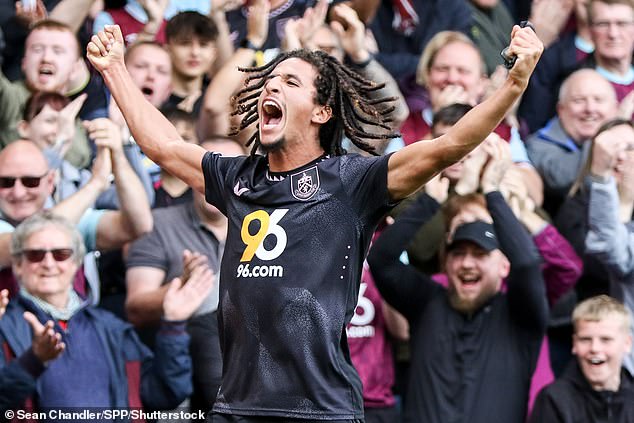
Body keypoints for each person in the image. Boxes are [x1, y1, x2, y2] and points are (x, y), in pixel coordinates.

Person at [87, 22, 542, 421]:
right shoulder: (237, 178)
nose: (271, 87)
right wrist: (115, 71)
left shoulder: (355, 181)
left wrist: (514, 84)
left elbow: (448, 146)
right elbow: (164, 147)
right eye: (269, 80)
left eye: (289, 81)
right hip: (237, 406)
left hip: (320, 408)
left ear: (322, 112)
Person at [0, 211, 212, 412]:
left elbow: (164, 394)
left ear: (76, 264)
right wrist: (32, 361)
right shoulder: (3, 325)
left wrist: (174, 325)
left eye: (61, 254)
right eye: (35, 255)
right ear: (18, 265)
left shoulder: (110, 327)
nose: (48, 263)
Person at [125, 137, 245, 412]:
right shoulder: (159, 225)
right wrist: (182, 288)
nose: (219, 182)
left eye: (231, 172)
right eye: (210, 172)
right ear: (191, 175)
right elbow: (135, 308)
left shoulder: (268, 227)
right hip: (180, 376)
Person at [526, 68, 618, 216]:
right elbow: (561, 179)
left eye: (598, 100)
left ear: (615, 108)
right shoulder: (538, 144)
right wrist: (607, 134)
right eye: (579, 100)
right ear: (561, 109)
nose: (590, 108)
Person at [529, 295, 634, 422]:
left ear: (627, 343)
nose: (594, 348)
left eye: (606, 340)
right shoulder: (554, 400)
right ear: (574, 343)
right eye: (585, 339)